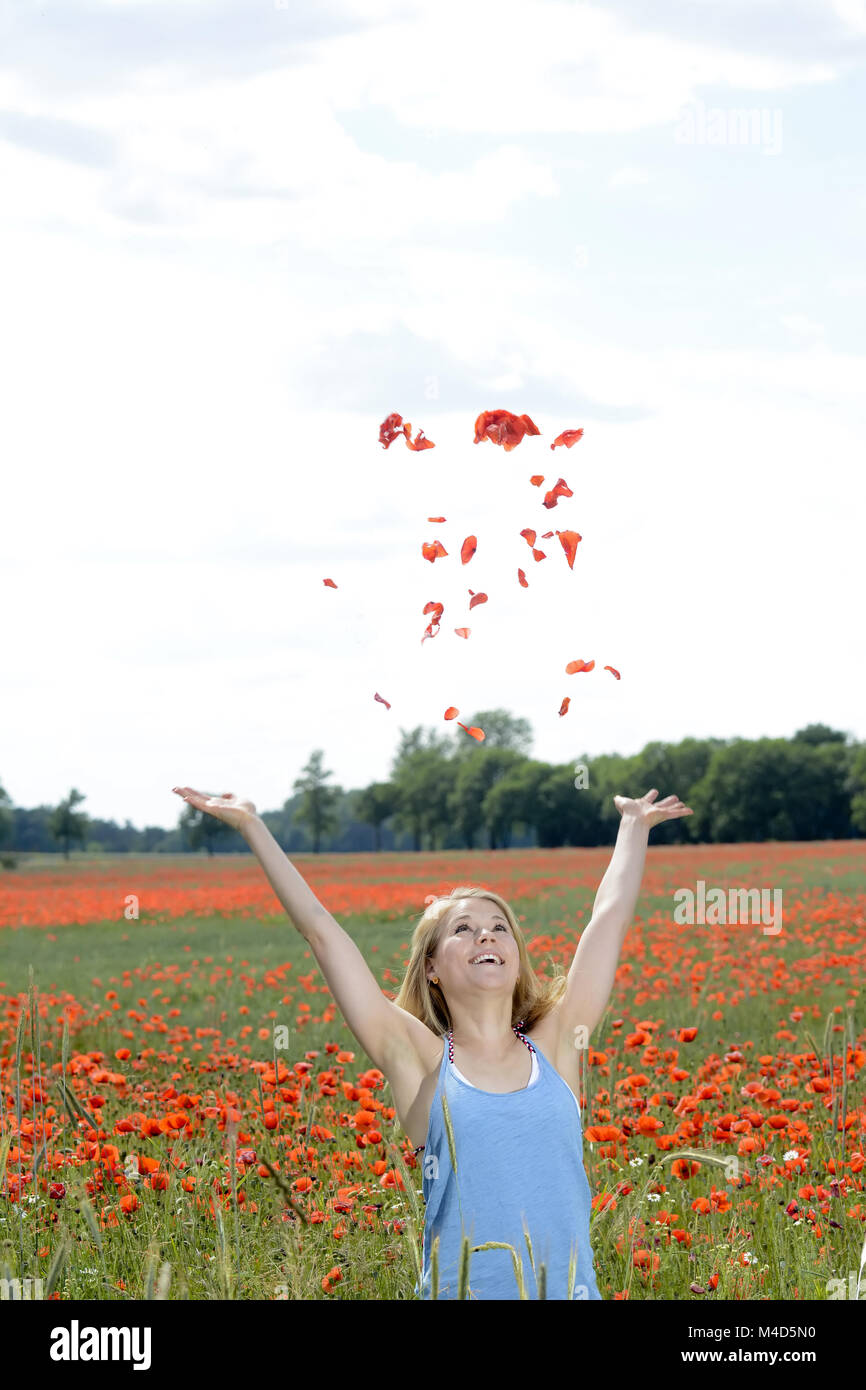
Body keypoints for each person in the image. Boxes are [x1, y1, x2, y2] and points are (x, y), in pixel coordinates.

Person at [171, 783, 692, 1300]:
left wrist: (633, 825)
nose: (485, 935)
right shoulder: (421, 1060)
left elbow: (609, 919)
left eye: (498, 927)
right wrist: (252, 824)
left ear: (515, 956)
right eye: (463, 929)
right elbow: (322, 934)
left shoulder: (557, 1045)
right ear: (433, 968)